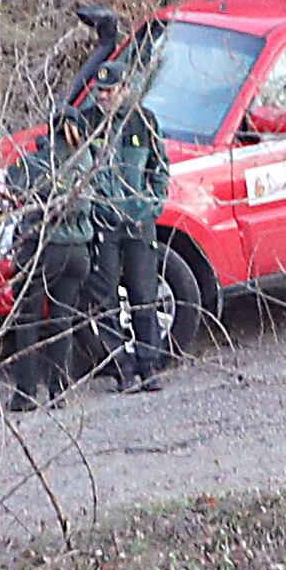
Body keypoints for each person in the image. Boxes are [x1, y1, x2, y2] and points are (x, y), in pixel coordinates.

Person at [17, 85, 113, 408]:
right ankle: (59, 392)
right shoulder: (87, 158)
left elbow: (15, 186)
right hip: (79, 251)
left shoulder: (39, 160)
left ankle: (25, 393)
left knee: (28, 318)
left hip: (46, 247)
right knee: (63, 320)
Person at [86, 66, 174, 391]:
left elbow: (159, 167)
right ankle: (121, 367)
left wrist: (152, 204)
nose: (103, 97)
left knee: (143, 292)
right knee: (104, 298)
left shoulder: (143, 120)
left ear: (124, 89)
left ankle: (148, 365)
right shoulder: (87, 124)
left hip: (138, 223)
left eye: (109, 90)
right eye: (100, 91)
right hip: (103, 224)